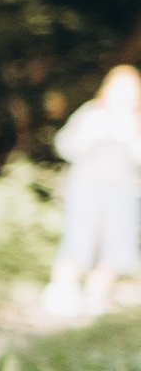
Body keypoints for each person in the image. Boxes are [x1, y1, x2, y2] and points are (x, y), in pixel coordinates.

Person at [45, 63, 141, 320]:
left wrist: (133, 141)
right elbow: (64, 146)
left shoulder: (137, 122)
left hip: (126, 193)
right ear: (107, 89)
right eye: (119, 89)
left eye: (130, 90)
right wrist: (89, 137)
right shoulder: (92, 113)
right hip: (85, 188)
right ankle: (63, 292)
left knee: (116, 246)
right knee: (78, 239)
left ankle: (97, 296)